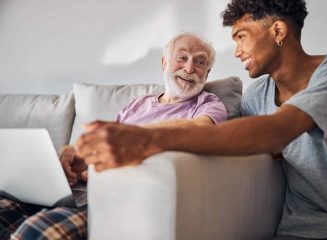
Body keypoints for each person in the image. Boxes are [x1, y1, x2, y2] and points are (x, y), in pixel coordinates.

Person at [75, 0, 327, 239]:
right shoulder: (256, 96)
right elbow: (250, 146)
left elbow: (279, 130)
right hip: (294, 227)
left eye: (241, 36)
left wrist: (147, 138)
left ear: (277, 30)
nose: (236, 52)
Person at [0, 33, 227, 240]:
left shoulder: (208, 104)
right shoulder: (137, 104)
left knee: (34, 232)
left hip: (117, 200)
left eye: (199, 62)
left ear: (207, 73)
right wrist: (75, 156)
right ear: (164, 63)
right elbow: (108, 147)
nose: (189, 68)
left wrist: (129, 137)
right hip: (81, 189)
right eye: (182, 57)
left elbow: (202, 129)